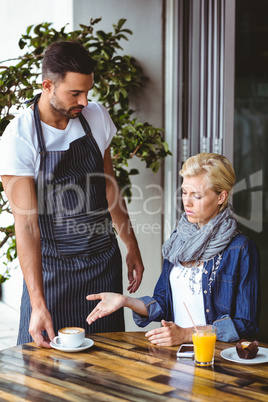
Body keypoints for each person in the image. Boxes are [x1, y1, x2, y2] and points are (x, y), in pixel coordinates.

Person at [0, 41, 144, 347]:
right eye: (75, 93)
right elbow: (26, 225)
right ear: (48, 85)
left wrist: (131, 244)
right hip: (53, 272)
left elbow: (107, 185)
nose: (84, 100)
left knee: (108, 361)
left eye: (88, 91)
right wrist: (38, 302)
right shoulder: (19, 137)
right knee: (44, 369)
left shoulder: (95, 117)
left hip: (102, 263)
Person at [86, 153, 259, 346]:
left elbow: (246, 324)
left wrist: (187, 334)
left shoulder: (240, 248)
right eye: (185, 192)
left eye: (197, 195)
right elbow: (163, 302)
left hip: (216, 359)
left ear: (221, 196)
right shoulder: (178, 241)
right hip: (176, 357)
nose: (187, 202)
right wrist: (126, 301)